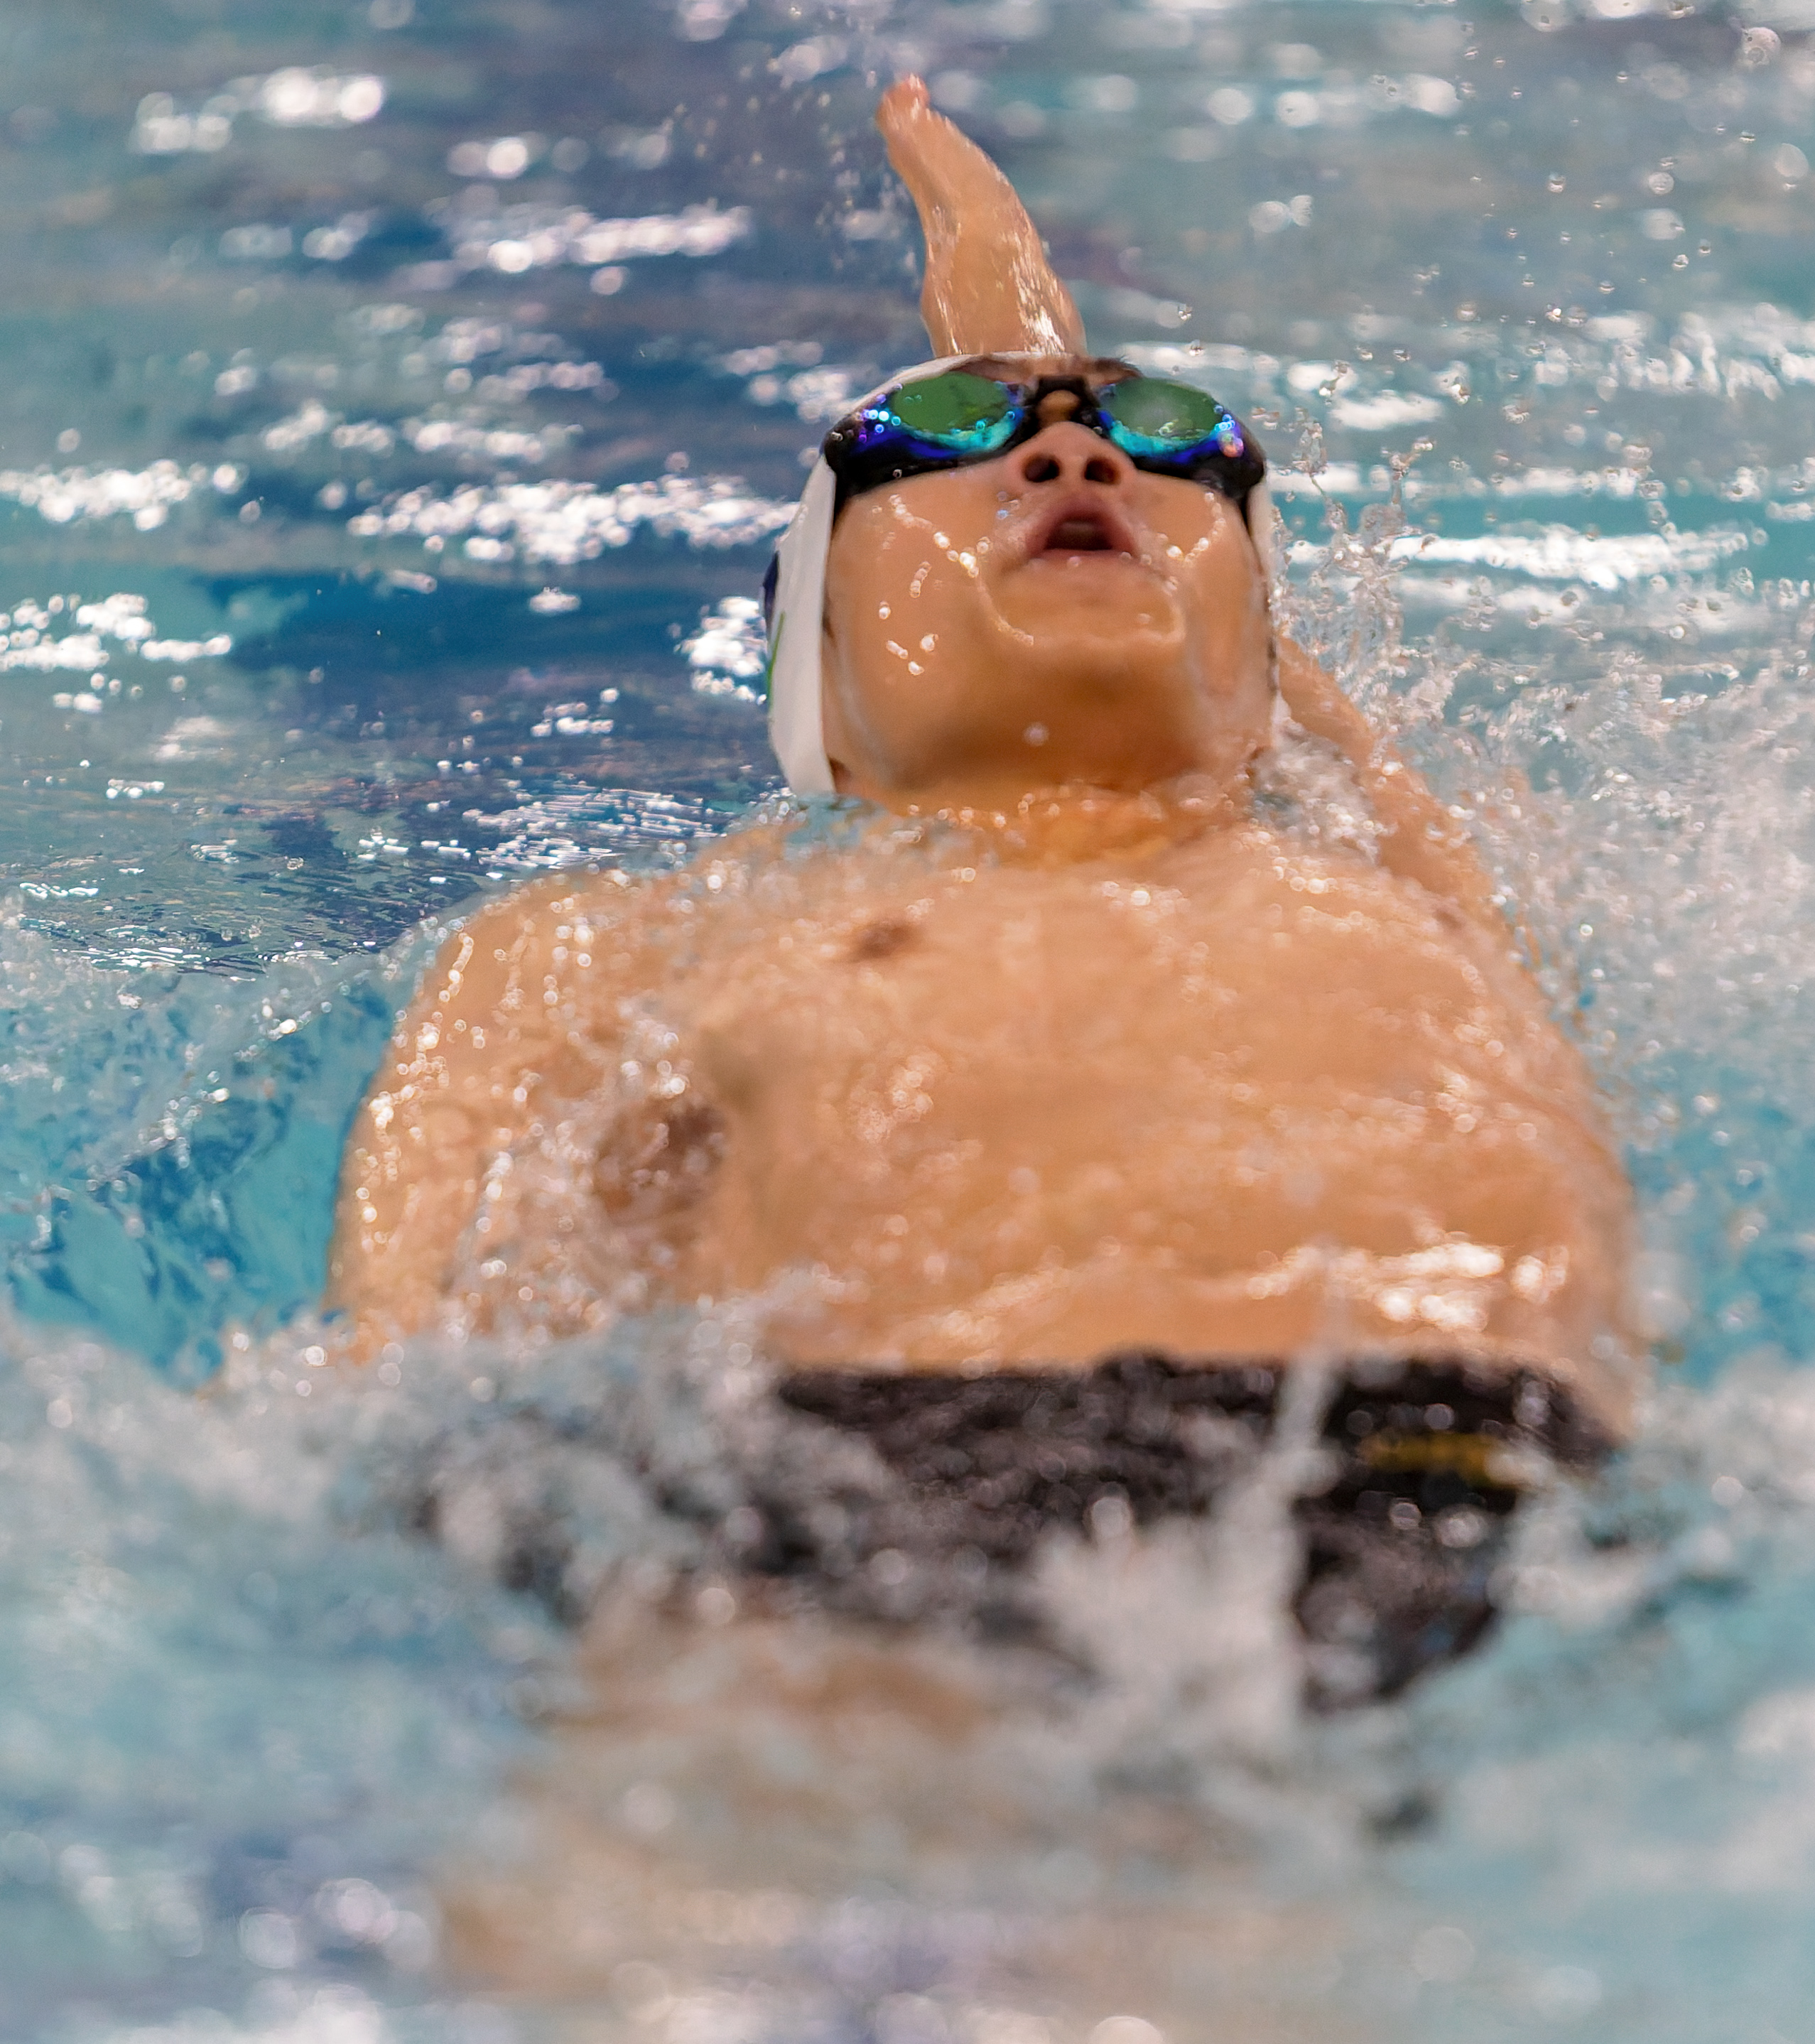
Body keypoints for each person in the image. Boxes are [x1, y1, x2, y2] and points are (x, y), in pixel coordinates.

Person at [327, 78, 1638, 1703]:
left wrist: (998, 313)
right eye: (949, 444)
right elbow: (404, 1378)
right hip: (901, 1471)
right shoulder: (641, 940)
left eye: (1160, 442)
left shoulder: (1401, 871)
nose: (1080, 447)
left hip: (1486, 1472)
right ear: (814, 651)